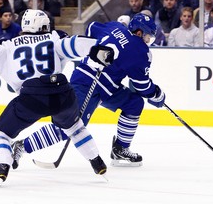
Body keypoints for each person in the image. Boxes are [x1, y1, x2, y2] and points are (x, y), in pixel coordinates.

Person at [11, 13, 166, 169]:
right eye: (147, 37)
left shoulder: (115, 27)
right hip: (87, 84)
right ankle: (22, 146)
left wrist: (100, 48)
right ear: (139, 32)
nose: (148, 41)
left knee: (133, 104)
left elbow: (91, 27)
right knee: (70, 126)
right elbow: (141, 85)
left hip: (104, 86)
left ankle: (120, 149)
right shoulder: (141, 52)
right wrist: (156, 94)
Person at [0, 9, 108, 186]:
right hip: (63, 94)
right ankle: (96, 161)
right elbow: (74, 44)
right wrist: (97, 50)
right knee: (75, 126)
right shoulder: (54, 38)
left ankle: (1, 166)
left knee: (1, 133)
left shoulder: (8, 46)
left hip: (32, 98)